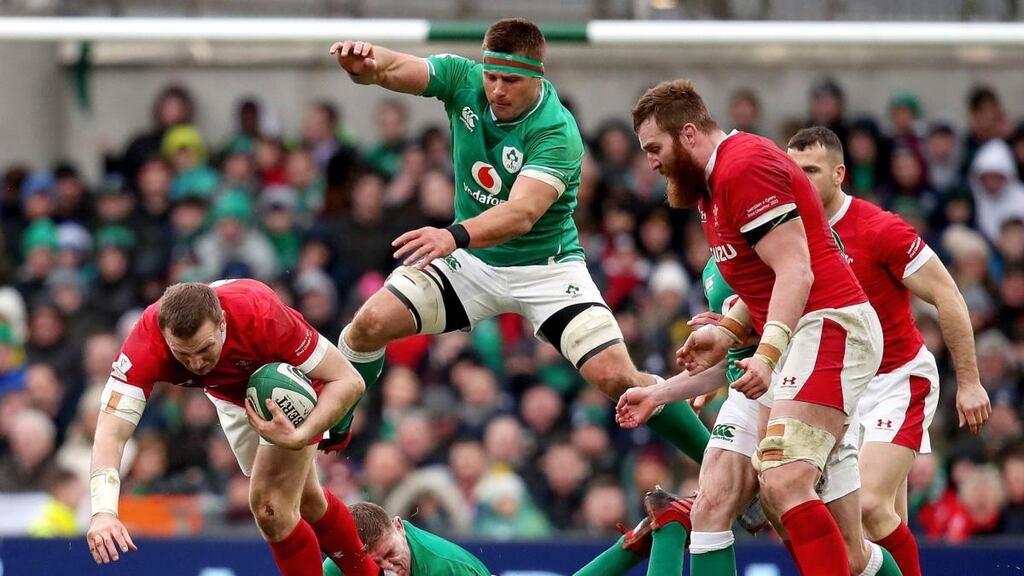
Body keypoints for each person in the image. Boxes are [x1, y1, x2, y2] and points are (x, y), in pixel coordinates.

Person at [326, 18, 708, 464]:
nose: (497, 90)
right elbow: (394, 67)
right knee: (367, 325)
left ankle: (717, 461)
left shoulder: (557, 131)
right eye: (491, 76)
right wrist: (366, 67)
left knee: (617, 379)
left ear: (537, 77)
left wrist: (453, 235)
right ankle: (337, 422)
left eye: (510, 80)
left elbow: (522, 213)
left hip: (546, 270)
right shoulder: (463, 79)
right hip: (473, 260)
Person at [632, 79, 882, 576]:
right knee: (712, 503)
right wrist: (726, 333)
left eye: (655, 149)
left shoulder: (742, 167)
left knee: (785, 482)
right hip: (787, 345)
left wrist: (765, 356)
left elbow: (797, 272)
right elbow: (765, 286)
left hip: (828, 327)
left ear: (688, 134)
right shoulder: (709, 190)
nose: (652, 163)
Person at [787, 126, 991, 576]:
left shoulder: (878, 228)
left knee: (867, 506)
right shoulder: (788, 235)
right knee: (875, 526)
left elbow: (947, 295)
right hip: (840, 390)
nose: (799, 181)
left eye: (811, 170)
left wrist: (970, 382)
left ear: (839, 174)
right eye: (793, 171)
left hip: (898, 381)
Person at [85, 280, 378, 576]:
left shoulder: (262, 316)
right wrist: (103, 511)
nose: (195, 363)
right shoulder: (146, 342)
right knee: (307, 500)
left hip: (286, 388)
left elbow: (348, 379)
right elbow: (111, 432)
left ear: (222, 321)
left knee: (271, 508)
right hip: (227, 395)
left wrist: (302, 434)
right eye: (182, 354)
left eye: (204, 348)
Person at [322, 501, 490, 576]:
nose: (388, 567)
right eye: (375, 563)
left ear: (399, 527)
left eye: (390, 554)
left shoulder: (448, 568)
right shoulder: (340, 563)